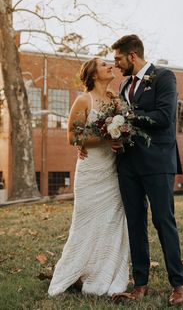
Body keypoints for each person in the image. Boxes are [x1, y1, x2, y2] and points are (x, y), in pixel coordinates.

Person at [110, 34, 183, 306]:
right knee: (134, 222)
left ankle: (179, 283)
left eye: (118, 59)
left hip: (157, 162)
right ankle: (139, 283)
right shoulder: (123, 86)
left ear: (132, 55)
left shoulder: (164, 77)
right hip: (127, 163)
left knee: (163, 221)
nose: (116, 65)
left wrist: (127, 119)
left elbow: (165, 117)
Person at [48, 58, 129, 297]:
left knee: (111, 223)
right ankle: (75, 273)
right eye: (104, 64)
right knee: (85, 224)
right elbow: (72, 136)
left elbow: (125, 130)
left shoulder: (116, 100)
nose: (110, 66)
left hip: (112, 172)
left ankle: (104, 272)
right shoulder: (83, 100)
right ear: (94, 74)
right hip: (90, 171)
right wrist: (106, 138)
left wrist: (121, 136)